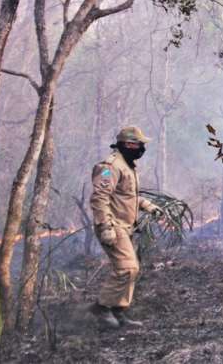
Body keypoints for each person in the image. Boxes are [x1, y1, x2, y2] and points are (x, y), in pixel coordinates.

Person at [88, 126, 160, 329]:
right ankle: (102, 308)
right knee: (127, 267)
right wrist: (105, 226)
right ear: (129, 144)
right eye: (140, 144)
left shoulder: (128, 166)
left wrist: (148, 206)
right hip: (113, 225)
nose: (142, 148)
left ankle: (118, 311)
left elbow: (128, 196)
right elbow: (100, 197)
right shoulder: (110, 166)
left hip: (125, 226)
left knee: (131, 269)